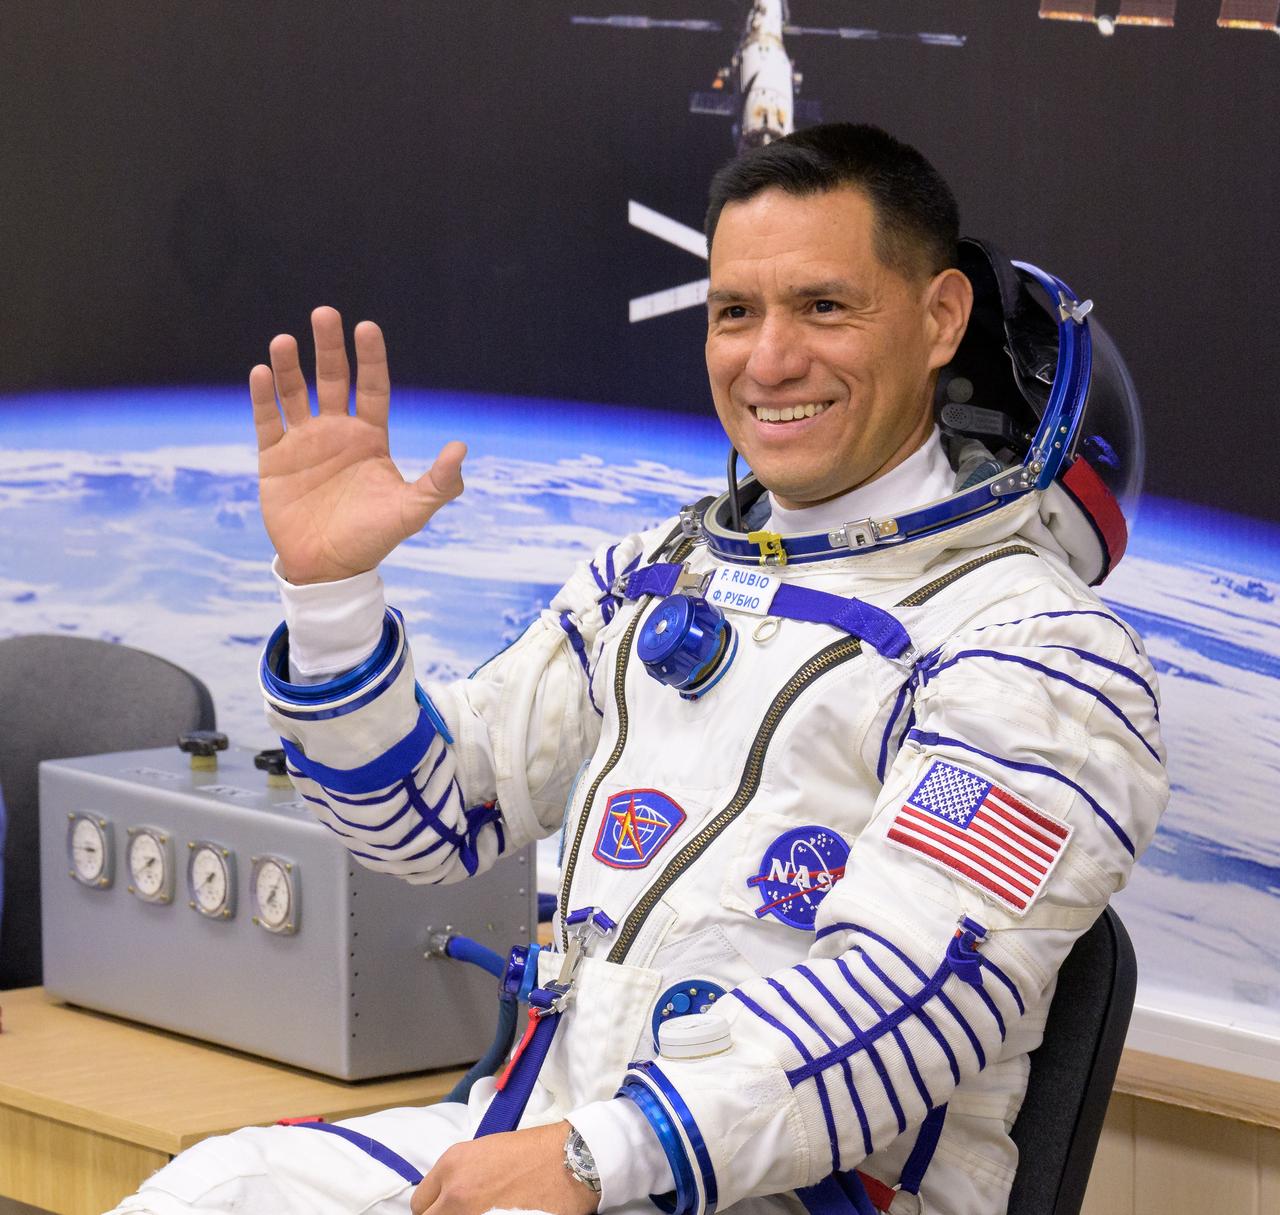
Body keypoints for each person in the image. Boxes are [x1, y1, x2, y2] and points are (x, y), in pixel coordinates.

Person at [108, 123, 1167, 1215]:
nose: (767, 361)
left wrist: (592, 1156)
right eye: (733, 313)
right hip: (548, 1137)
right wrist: (329, 598)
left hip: (799, 1191)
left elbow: (910, 1000)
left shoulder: (1036, 651)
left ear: (939, 317)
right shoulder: (658, 573)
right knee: (218, 1187)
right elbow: (427, 824)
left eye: (822, 307)